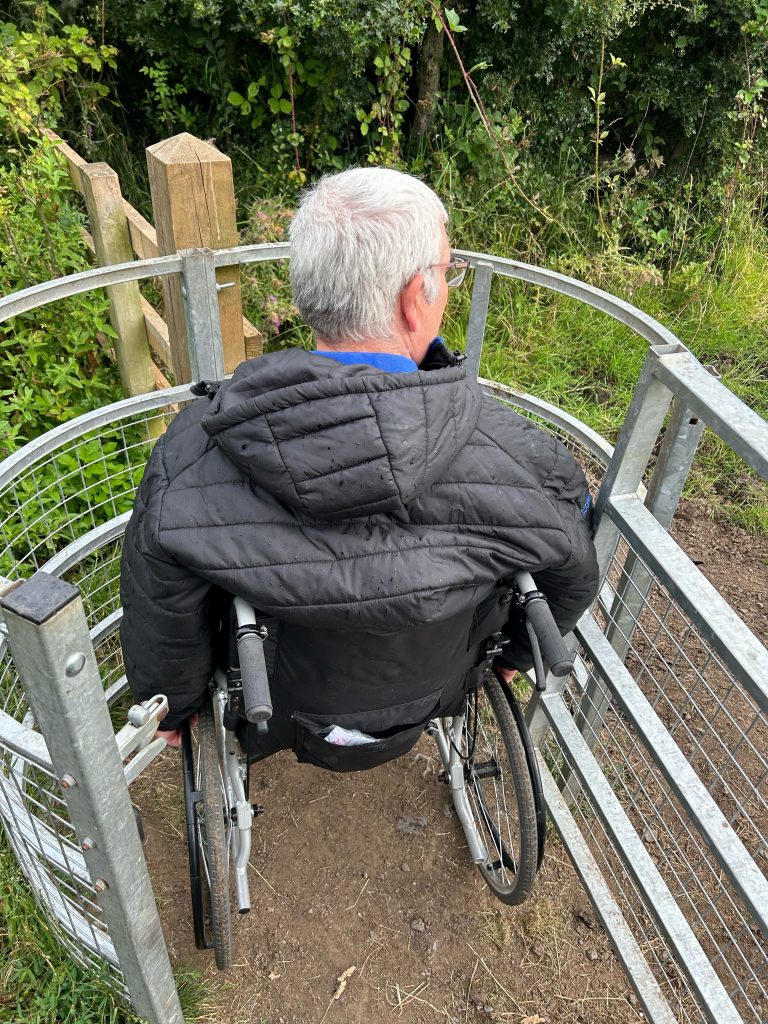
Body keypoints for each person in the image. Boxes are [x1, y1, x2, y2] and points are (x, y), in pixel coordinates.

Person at [120, 167, 598, 760]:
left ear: (308, 292)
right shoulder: (524, 456)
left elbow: (161, 609)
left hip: (280, 709)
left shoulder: (191, 451)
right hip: (439, 688)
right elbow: (572, 571)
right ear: (413, 299)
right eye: (446, 272)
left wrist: (176, 704)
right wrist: (516, 657)